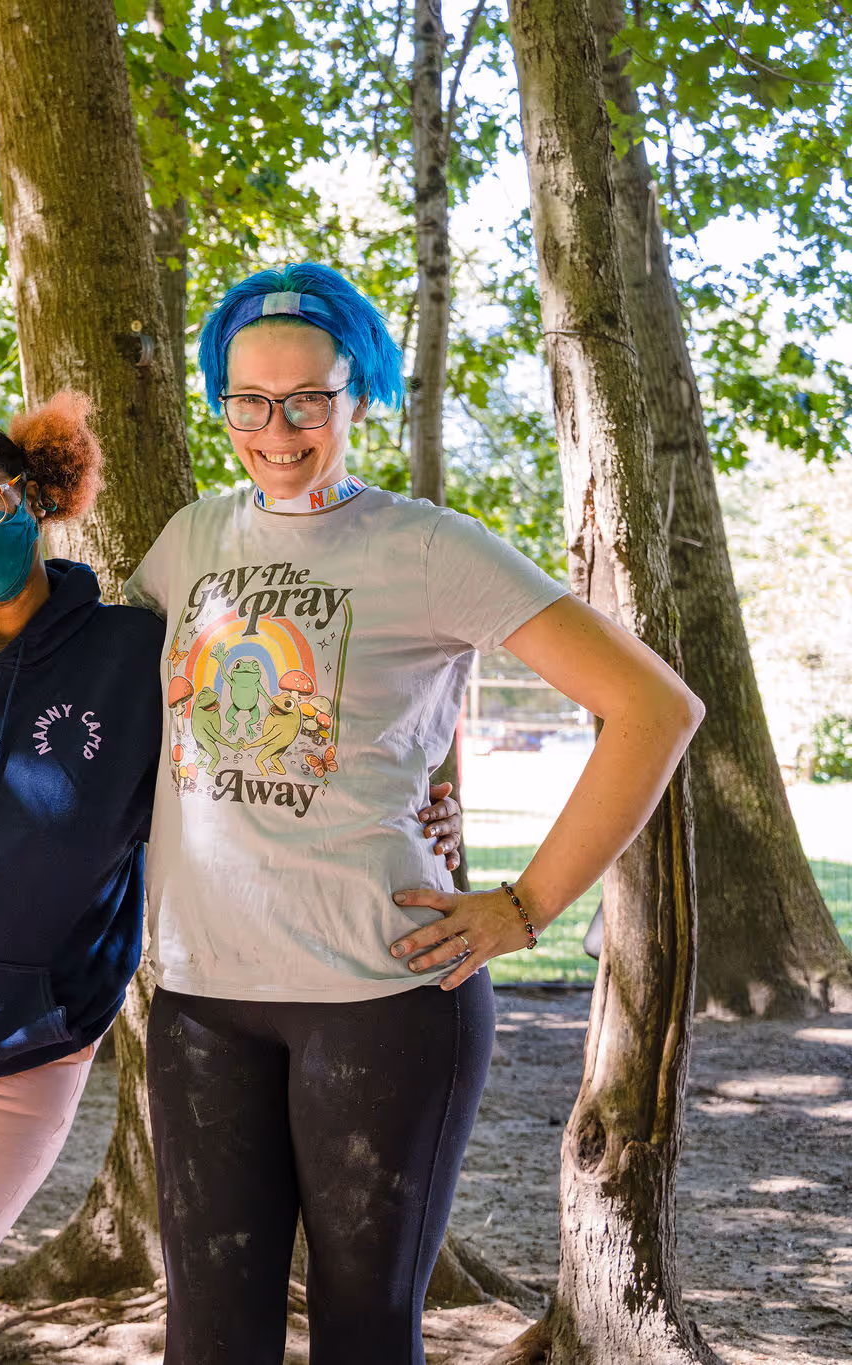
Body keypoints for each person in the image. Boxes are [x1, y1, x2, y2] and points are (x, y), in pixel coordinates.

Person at [0, 394, 466, 1364]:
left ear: (34, 495)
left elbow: (270, 741)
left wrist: (422, 798)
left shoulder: (138, 652)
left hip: (15, 1038)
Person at [124, 262, 703, 1362]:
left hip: (381, 1000)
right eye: (248, 400)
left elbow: (651, 708)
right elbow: (91, 686)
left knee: (362, 1331)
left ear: (358, 395)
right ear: (220, 404)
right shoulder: (188, 542)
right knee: (208, 1340)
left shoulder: (425, 545)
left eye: (309, 398)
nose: (277, 427)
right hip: (202, 998)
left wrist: (521, 906)